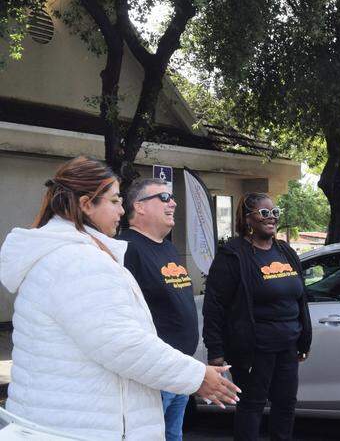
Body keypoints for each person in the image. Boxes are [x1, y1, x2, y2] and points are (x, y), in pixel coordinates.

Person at [0, 156, 239, 440]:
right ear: (86, 204)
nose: (122, 209)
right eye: (114, 201)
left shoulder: (71, 255)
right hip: (79, 428)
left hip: (70, 421)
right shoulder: (78, 261)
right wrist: (196, 376)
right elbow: (123, 344)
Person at [203, 192, 312, 441]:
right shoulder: (233, 255)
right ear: (247, 218)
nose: (271, 217)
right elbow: (214, 305)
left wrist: (304, 340)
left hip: (288, 345)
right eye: (264, 213)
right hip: (253, 348)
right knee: (252, 405)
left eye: (275, 212)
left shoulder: (285, 251)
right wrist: (215, 351)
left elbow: (300, 298)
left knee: (286, 404)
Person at [119, 178, 198, 441]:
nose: (172, 203)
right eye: (164, 197)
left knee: (173, 435)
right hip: (153, 375)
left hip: (180, 368)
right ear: (139, 206)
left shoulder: (168, 247)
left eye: (172, 197)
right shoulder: (126, 249)